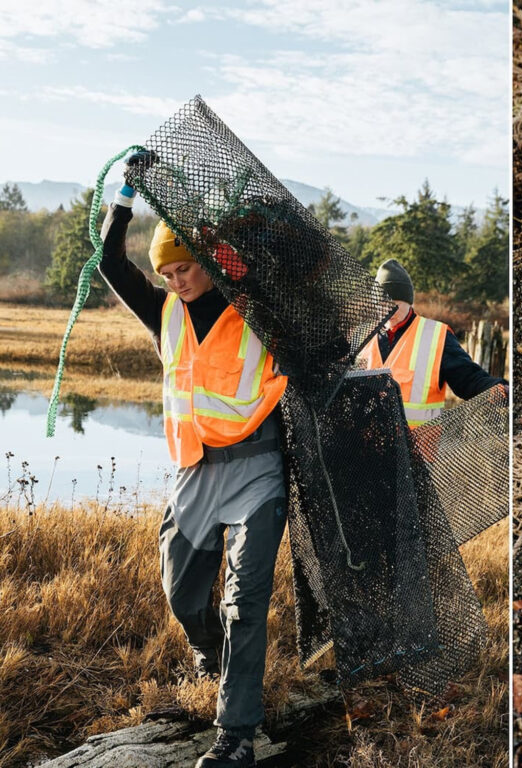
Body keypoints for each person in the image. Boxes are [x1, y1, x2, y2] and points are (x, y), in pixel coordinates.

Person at [99, 162, 287, 768]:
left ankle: (236, 737)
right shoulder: (164, 313)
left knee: (245, 600)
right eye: (168, 272)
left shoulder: (254, 306)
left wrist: (200, 217)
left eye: (186, 268)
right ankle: (212, 652)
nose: (177, 281)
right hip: (195, 470)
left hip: (258, 468)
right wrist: (125, 197)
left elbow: (281, 264)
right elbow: (108, 261)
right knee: (182, 593)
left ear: (208, 262)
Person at [360, 259, 507, 426]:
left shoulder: (436, 336)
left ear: (409, 302)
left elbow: (467, 378)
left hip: (419, 448)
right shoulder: (364, 338)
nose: (388, 310)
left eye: (395, 304)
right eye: (382, 303)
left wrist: (498, 389)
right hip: (369, 446)